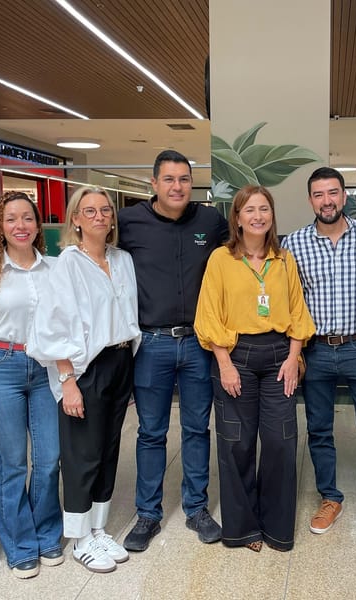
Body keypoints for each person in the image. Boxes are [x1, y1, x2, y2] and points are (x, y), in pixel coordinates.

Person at [118, 150, 228, 552]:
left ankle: (196, 508)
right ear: (154, 183)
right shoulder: (128, 222)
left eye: (184, 179)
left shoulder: (210, 221)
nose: (177, 187)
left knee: (198, 428)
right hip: (152, 344)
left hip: (199, 343)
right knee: (151, 432)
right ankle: (148, 514)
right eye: (168, 179)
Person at [195, 185, 314, 552]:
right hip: (236, 356)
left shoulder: (284, 260)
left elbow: (298, 311)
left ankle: (277, 529)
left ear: (272, 216)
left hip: (280, 356)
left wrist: (294, 358)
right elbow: (208, 314)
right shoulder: (220, 259)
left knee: (281, 441)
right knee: (237, 443)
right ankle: (244, 529)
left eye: (264, 209)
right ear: (237, 218)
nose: (258, 216)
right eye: (249, 210)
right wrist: (224, 363)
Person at [28, 186, 140, 574]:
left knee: (108, 450)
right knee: (83, 454)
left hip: (121, 360)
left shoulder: (122, 260)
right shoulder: (67, 265)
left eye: (105, 210)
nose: (99, 216)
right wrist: (67, 380)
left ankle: (98, 528)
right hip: (85, 369)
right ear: (75, 219)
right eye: (89, 211)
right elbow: (51, 326)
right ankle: (78, 539)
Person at [282, 167, 356, 536]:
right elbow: (290, 302)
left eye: (332, 193)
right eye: (319, 194)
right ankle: (330, 497)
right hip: (317, 350)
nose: (326, 201)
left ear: (344, 195)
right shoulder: (293, 244)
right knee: (319, 429)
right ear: (310, 200)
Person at [0, 192, 63, 579]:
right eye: (10, 219)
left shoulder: (54, 269)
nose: (20, 226)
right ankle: (21, 545)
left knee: (50, 458)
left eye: (27, 218)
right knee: (13, 464)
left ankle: (47, 533)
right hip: (1, 368)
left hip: (46, 368)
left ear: (38, 225)